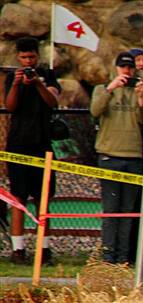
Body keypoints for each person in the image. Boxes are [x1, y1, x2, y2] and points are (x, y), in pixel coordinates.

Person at [3, 37, 61, 264]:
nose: (28, 61)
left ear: (38, 56)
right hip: (18, 144)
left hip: (42, 144)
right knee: (19, 198)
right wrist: (17, 84)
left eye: (32, 57)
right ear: (18, 57)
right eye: (24, 57)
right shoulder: (12, 77)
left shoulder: (47, 76)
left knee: (43, 199)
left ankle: (44, 249)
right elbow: (10, 106)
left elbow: (53, 102)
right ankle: (18, 250)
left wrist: (38, 83)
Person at [90, 52, 143, 264]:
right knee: (111, 209)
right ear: (116, 68)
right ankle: (107, 257)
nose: (127, 71)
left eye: (130, 68)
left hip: (133, 156)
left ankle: (123, 258)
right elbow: (95, 111)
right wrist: (110, 88)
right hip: (109, 156)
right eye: (123, 67)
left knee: (128, 211)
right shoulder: (101, 89)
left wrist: (142, 97)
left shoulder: (138, 90)